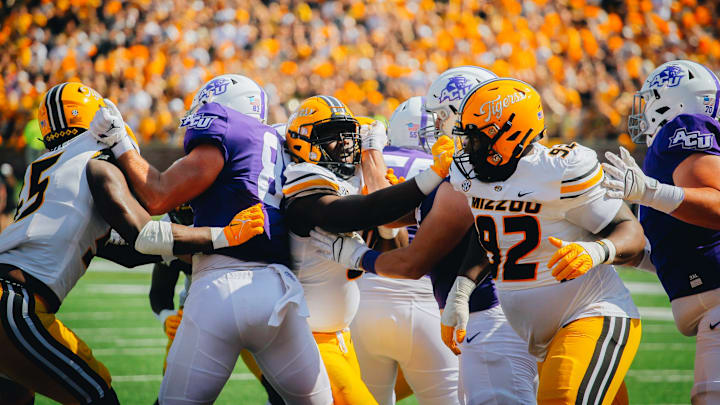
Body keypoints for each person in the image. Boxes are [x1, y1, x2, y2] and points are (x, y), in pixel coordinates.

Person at [0, 82, 265, 405]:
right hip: (15, 305)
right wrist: (225, 236)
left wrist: (182, 253)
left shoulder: (44, 168)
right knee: (99, 397)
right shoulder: (96, 163)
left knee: (17, 396)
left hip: (12, 298)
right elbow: (145, 237)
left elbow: (124, 251)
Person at [90, 74, 334, 405]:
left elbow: (158, 195)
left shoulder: (226, 126)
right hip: (281, 294)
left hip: (221, 287)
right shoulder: (280, 141)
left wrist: (120, 142)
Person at [421, 78, 646, 405]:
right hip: (542, 335)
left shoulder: (557, 170)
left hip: (591, 312)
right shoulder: (470, 174)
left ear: (509, 136)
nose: (467, 148)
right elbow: (494, 232)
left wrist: (597, 250)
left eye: (477, 139)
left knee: (561, 398)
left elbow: (631, 232)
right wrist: (463, 287)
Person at [314, 89, 539, 405]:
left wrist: (370, 154)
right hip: (429, 302)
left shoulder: (370, 160)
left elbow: (378, 216)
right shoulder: (454, 167)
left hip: (368, 300)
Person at [281, 94, 454, 404]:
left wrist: (378, 189)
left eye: (348, 135)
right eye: (331, 136)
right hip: (309, 336)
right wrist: (427, 177)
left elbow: (394, 240)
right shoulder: (303, 179)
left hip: (344, 332)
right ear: (301, 143)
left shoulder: (350, 179)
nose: (346, 144)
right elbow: (353, 213)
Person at [602, 60, 720, 405]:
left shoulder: (684, 127)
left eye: (650, 99)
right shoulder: (671, 146)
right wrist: (631, 255)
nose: (643, 110)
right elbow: (688, 245)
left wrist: (650, 192)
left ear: (675, 101)